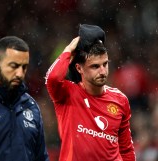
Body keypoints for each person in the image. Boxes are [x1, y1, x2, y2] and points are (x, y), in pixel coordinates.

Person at [45, 24, 136, 161]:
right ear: (79, 68)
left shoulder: (120, 99)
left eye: (105, 64)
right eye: (95, 66)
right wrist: (69, 49)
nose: (102, 71)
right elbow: (52, 78)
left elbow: (126, 149)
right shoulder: (67, 93)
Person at [0, 36, 49, 161]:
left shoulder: (31, 106)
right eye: (14, 66)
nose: (20, 73)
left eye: (24, 67)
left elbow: (41, 157)